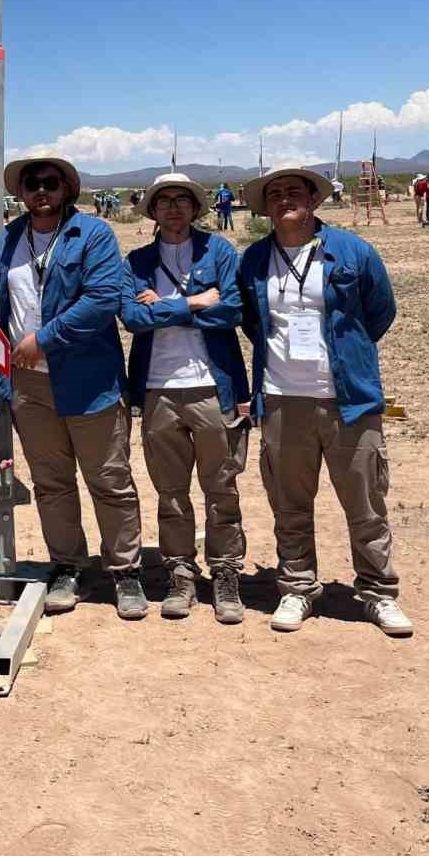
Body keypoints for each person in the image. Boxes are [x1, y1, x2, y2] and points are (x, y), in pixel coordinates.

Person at [237, 166, 411, 637]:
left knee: (365, 504)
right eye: (275, 194)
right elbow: (254, 321)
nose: (285, 199)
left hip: (348, 401)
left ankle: (378, 593)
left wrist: (348, 354)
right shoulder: (253, 259)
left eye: (295, 191)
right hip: (281, 401)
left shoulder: (352, 251)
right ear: (265, 206)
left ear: (314, 201)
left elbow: (380, 311)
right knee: (290, 504)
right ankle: (297, 588)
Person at [0, 155, 147, 620]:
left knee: (109, 479)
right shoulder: (6, 239)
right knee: (51, 482)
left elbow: (102, 300)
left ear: (67, 189)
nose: (41, 191)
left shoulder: (93, 234)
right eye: (32, 184)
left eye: (50, 183)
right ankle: (67, 565)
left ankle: (125, 572)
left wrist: (43, 340)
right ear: (20, 193)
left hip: (89, 381)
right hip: (29, 386)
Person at [120, 175, 250, 624]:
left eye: (182, 201)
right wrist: (193, 303)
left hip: (212, 386)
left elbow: (233, 310)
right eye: (164, 201)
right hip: (157, 388)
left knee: (221, 488)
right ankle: (180, 573)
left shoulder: (219, 252)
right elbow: (134, 318)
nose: (173, 208)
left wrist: (164, 307)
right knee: (171, 493)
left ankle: (226, 572)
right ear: (153, 210)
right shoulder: (137, 260)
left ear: (196, 208)